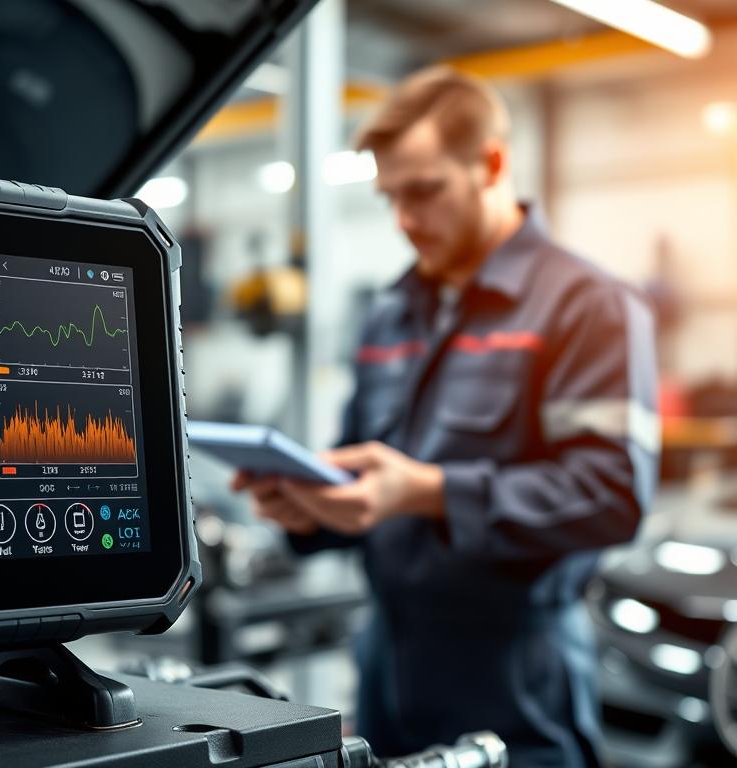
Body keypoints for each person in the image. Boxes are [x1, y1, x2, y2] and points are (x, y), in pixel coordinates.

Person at [232, 67, 658, 767]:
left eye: (425, 191)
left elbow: (613, 495)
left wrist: (428, 492)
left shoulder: (586, 305)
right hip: (387, 673)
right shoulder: (392, 311)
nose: (404, 218)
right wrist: (307, 506)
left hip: (516, 682)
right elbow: (362, 473)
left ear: (491, 163)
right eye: (391, 196)